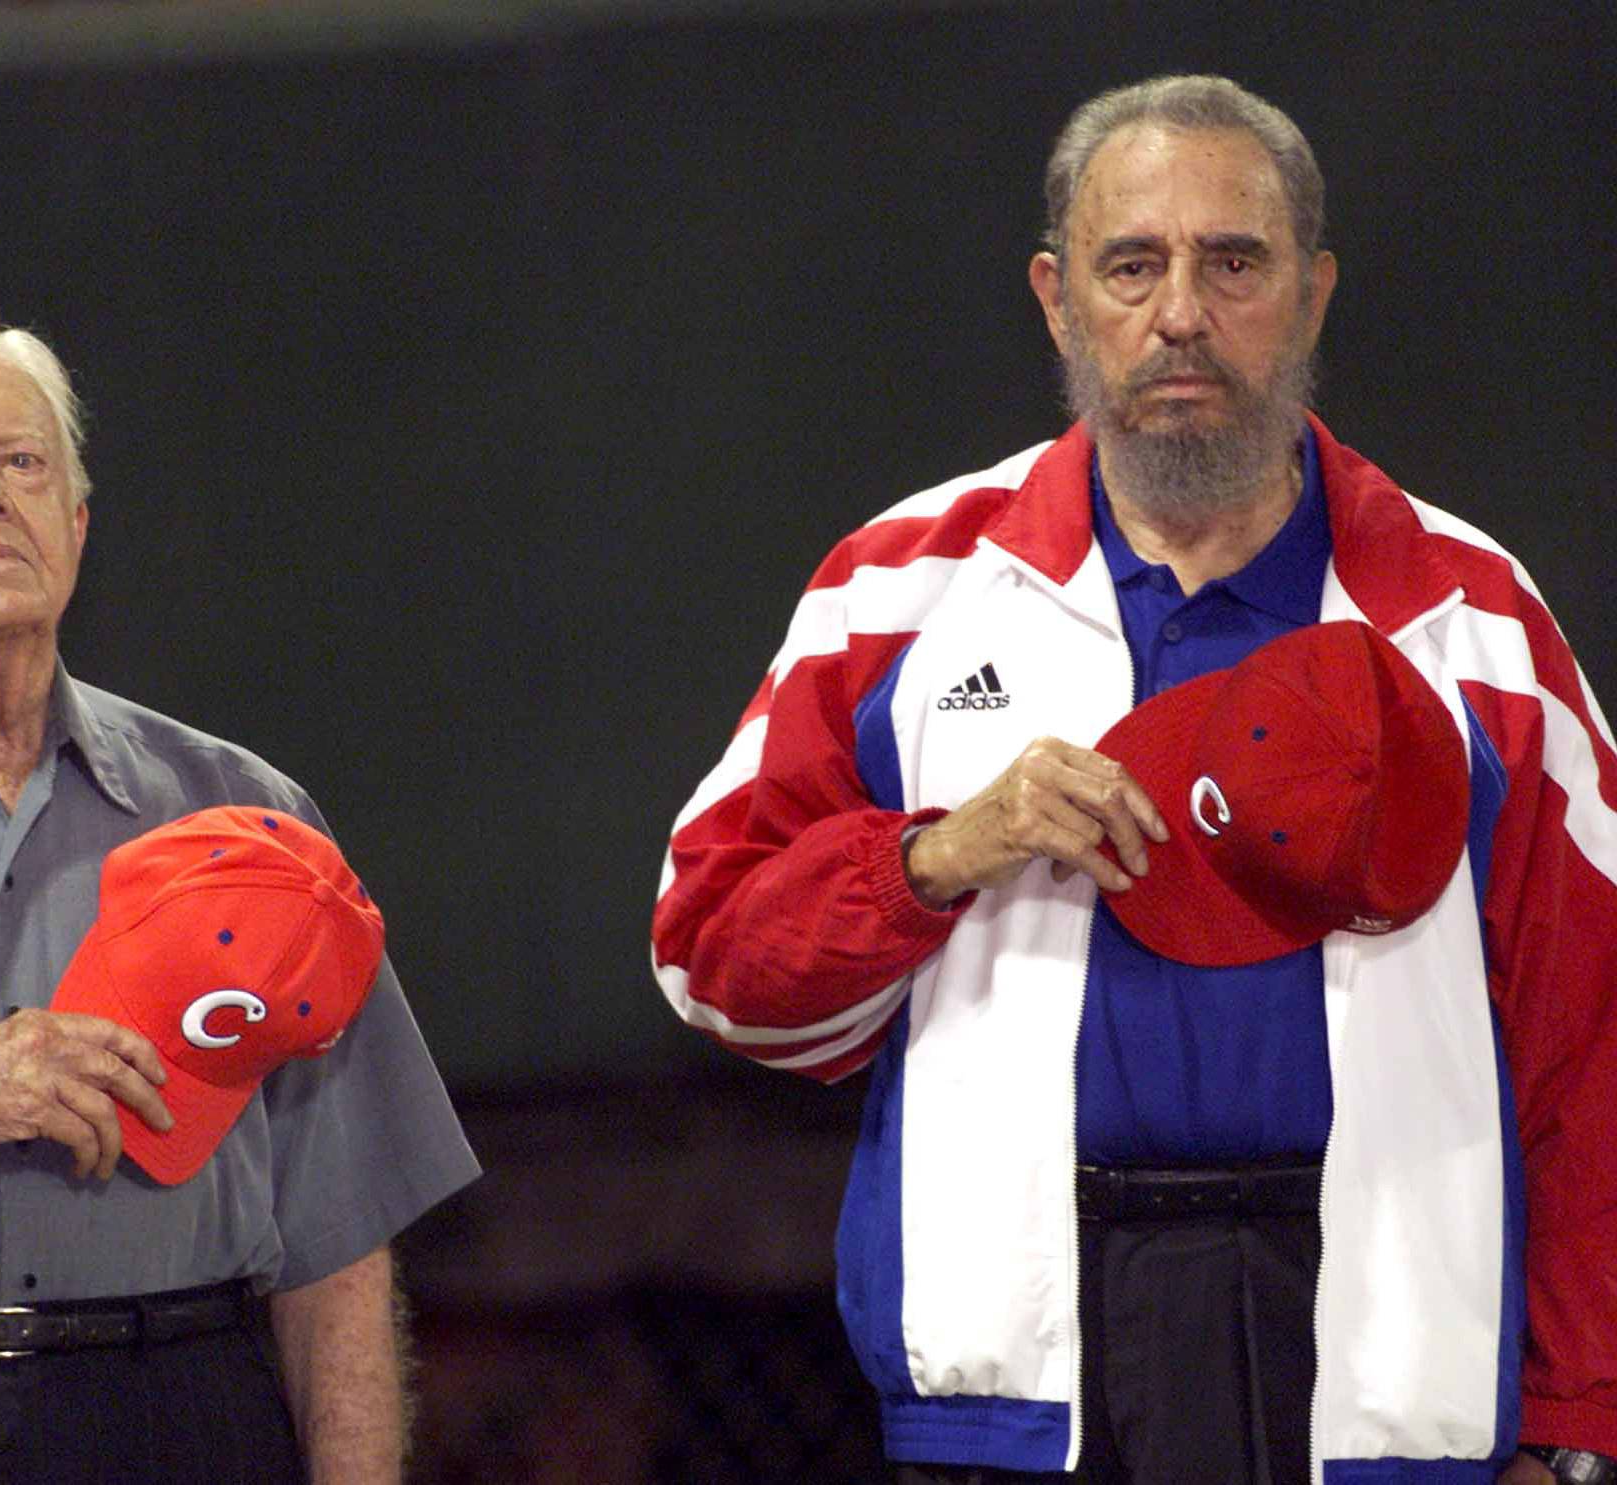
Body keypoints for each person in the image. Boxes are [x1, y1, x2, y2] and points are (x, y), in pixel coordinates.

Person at [651, 74, 1617, 1485]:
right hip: (1016, 1394)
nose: (1182, 312)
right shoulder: (900, 595)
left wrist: (1576, 1427)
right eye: (1133, 264)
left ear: (1313, 293)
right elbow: (709, 955)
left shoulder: (1473, 625)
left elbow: (1590, 1045)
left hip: (1392, 1385)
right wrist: (933, 857)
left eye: (1234, 262)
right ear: (1057, 298)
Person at [0, 301, 481, 1483]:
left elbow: (339, 1253)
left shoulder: (246, 814)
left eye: (20, 462)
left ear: (74, 520)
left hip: (181, 1419)